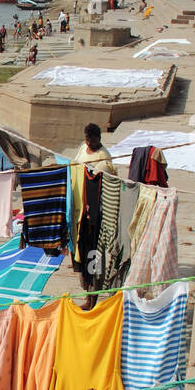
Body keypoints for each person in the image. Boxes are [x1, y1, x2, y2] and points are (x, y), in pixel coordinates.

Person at [73, 123, 117, 310]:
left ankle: (93, 300)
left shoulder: (104, 161)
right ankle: (86, 295)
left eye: (91, 139)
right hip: (81, 213)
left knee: (95, 259)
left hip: (96, 218)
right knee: (81, 258)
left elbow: (109, 188)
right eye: (86, 139)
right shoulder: (83, 149)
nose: (87, 142)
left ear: (98, 138)